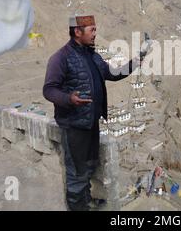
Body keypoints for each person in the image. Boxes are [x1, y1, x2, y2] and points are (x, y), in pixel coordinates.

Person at [43, 15, 142, 211]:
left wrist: (137, 61)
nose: (96, 34)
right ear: (77, 32)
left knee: (88, 166)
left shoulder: (92, 56)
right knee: (76, 173)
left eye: (95, 29)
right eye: (92, 30)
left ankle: (86, 201)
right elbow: (49, 90)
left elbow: (112, 74)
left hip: (91, 123)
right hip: (74, 126)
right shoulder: (60, 58)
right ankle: (77, 207)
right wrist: (69, 99)